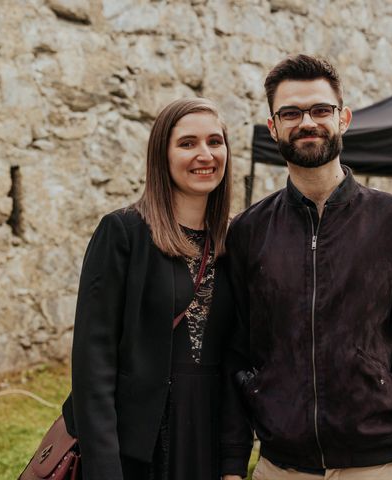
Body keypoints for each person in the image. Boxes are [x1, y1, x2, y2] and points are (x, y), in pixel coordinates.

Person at [221, 54, 392, 480]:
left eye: (320, 110)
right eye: (290, 112)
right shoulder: (248, 231)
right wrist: (232, 463)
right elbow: (235, 353)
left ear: (343, 118)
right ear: (273, 127)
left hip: (378, 463)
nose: (307, 122)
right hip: (280, 466)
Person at [61, 97, 234, 479]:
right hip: (134, 445)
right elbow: (94, 361)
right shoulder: (124, 232)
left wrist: (234, 460)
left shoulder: (234, 240)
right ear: (162, 155)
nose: (204, 154)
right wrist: (104, 467)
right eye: (187, 143)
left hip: (206, 436)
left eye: (214, 141)